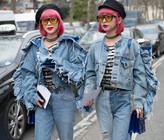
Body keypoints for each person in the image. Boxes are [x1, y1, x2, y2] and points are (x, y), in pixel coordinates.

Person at [14, 4, 87, 140]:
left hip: (65, 99)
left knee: (66, 137)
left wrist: (58, 63)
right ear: (41, 24)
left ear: (59, 22)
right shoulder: (34, 47)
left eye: (52, 20)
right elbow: (27, 73)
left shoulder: (68, 45)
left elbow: (79, 70)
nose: (49, 23)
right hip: (42, 100)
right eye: (45, 20)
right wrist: (33, 96)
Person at [84, 0, 148, 140]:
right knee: (107, 137)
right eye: (101, 17)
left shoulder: (131, 46)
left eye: (108, 17)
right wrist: (88, 95)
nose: (104, 21)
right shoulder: (95, 48)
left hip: (123, 99)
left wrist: (138, 102)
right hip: (103, 99)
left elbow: (140, 76)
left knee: (120, 137)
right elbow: (90, 75)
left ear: (118, 19)